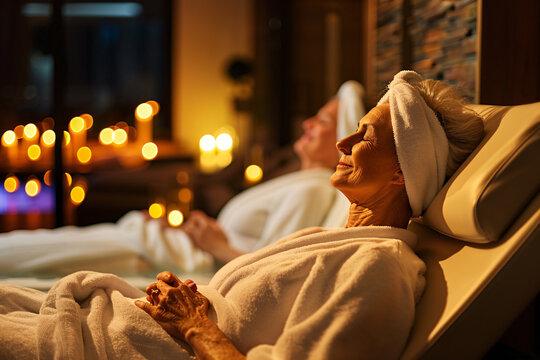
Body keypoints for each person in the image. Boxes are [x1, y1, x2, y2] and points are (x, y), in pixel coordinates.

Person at [0, 71, 484, 359]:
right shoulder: (338, 239)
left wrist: (194, 324)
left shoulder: (377, 270)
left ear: (403, 173)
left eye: (365, 137)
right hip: (112, 320)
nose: (343, 141)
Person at [0, 81, 365, 276]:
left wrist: (212, 243)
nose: (306, 124)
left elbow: (270, 271)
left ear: (341, 139)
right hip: (166, 243)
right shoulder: (297, 181)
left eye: (322, 121)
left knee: (28, 254)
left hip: (162, 256)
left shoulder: (314, 189)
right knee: (34, 248)